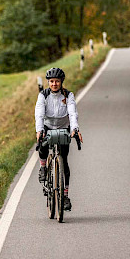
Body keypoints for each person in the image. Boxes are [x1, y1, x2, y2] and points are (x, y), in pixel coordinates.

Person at [35, 67, 83, 211]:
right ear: (48, 82)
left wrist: (75, 129)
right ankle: (43, 168)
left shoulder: (68, 95)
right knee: (42, 147)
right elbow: (39, 114)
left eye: (57, 81)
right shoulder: (43, 95)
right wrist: (39, 130)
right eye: (51, 82)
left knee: (64, 160)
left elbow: (73, 113)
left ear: (61, 82)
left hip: (64, 127)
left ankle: (65, 196)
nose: (54, 84)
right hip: (48, 126)